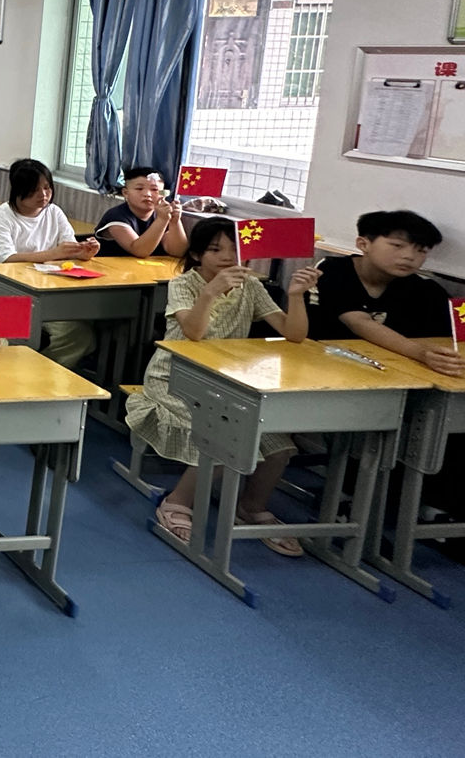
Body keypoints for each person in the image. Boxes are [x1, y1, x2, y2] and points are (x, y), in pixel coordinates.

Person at [125, 218, 320, 554]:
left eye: (234, 250)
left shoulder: (251, 286)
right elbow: (194, 333)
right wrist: (210, 292)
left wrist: (296, 296)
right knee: (223, 439)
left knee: (279, 448)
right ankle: (177, 502)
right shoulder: (184, 284)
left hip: (230, 381)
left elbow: (294, 334)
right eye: (216, 250)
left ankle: (251, 508)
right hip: (175, 377)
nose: (228, 257)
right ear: (197, 254)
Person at [0, 158, 100, 370]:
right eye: (34, 190)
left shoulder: (54, 212)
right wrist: (54, 253)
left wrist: (84, 252)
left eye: (47, 187)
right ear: (18, 190)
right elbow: (7, 258)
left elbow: (68, 249)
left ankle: (41, 372)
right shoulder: (0, 217)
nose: (43, 195)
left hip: (43, 295)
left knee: (80, 335)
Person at [306, 210, 462, 376]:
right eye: (397, 246)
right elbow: (359, 322)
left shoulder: (424, 288)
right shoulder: (331, 269)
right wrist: (421, 354)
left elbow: (458, 323)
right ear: (363, 244)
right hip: (319, 363)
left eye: (421, 250)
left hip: (388, 370)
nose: (410, 256)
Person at [95, 166, 187, 258]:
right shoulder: (116, 216)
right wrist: (162, 220)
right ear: (125, 193)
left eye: (154, 189)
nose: (147, 194)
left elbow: (178, 252)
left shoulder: (161, 214)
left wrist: (175, 221)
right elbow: (139, 251)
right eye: (139, 189)